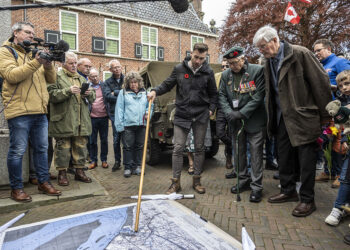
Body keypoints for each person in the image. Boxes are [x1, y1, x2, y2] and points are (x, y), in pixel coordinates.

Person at [253, 25, 332, 216]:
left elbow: (320, 83)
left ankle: (307, 200)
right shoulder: (267, 61)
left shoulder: (300, 53)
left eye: (263, 46)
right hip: (281, 118)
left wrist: (326, 116)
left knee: (306, 160)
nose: (261, 51)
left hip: (303, 116)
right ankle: (288, 191)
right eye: (259, 48)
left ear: (274, 40)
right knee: (284, 157)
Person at [0, 21, 61, 202]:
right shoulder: (5, 51)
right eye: (27, 32)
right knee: (17, 151)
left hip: (40, 111)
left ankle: (43, 182)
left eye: (33, 34)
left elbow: (51, 80)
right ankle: (16, 188)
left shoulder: (34, 53)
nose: (31, 36)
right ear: (16, 33)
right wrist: (37, 62)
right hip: (19, 111)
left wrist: (48, 64)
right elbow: (12, 75)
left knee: (42, 149)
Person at [147, 43, 218, 194]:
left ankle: (197, 181)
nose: (198, 61)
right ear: (191, 53)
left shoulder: (208, 72)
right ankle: (175, 183)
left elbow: (213, 94)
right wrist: (154, 91)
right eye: (196, 57)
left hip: (200, 116)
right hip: (182, 114)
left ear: (206, 57)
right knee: (178, 148)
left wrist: (211, 110)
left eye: (202, 58)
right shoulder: (179, 69)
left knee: (199, 148)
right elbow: (167, 84)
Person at [219, 46, 266, 203]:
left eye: (235, 62)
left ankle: (257, 187)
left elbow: (258, 96)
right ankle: (243, 180)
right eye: (230, 63)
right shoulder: (226, 75)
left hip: (254, 120)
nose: (233, 66)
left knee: (256, 154)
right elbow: (222, 96)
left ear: (243, 58)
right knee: (238, 153)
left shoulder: (257, 71)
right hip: (235, 121)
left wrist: (242, 112)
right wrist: (229, 113)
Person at [48, 51, 96, 186]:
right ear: (63, 63)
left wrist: (88, 94)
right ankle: (62, 174)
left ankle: (79, 172)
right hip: (64, 119)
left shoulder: (81, 78)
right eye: (71, 63)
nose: (74, 66)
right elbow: (50, 95)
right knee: (63, 147)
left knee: (81, 146)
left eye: (75, 63)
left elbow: (93, 97)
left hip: (81, 120)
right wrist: (67, 91)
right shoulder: (56, 76)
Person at [313, 39, 350, 187]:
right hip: (328, 114)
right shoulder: (322, 65)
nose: (316, 54)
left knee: (339, 142)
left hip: (341, 115)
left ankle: (341, 174)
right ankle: (329, 171)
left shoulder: (338, 62)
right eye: (314, 51)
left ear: (328, 49)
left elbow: (347, 79)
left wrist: (338, 89)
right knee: (326, 140)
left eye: (318, 50)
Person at [324, 70, 350, 226]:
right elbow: (339, 123)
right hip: (343, 142)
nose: (344, 88)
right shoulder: (340, 102)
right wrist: (327, 134)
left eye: (347, 84)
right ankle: (338, 207)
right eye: (341, 86)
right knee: (345, 177)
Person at [115, 71, 152, 177]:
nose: (133, 84)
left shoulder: (145, 93)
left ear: (139, 82)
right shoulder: (123, 93)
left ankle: (138, 166)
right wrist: (120, 125)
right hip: (128, 125)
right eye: (131, 82)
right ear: (127, 83)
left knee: (140, 146)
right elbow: (119, 109)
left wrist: (148, 113)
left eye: (135, 82)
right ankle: (128, 167)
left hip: (141, 125)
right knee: (127, 147)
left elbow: (149, 106)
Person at [215, 59, 236, 178]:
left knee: (231, 133)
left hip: (233, 109)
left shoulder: (235, 76)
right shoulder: (218, 77)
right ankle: (233, 145)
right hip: (221, 109)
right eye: (223, 66)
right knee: (220, 133)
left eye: (227, 66)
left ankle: (229, 158)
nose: (224, 68)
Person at [102, 59, 124, 172]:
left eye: (118, 66)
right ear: (110, 70)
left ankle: (128, 162)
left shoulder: (128, 79)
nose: (117, 69)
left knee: (127, 139)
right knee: (116, 139)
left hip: (127, 113)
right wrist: (122, 95)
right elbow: (107, 97)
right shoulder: (107, 82)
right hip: (114, 114)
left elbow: (131, 92)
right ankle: (117, 161)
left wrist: (115, 92)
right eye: (114, 67)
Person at [88, 68, 109, 169]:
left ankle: (104, 160)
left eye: (96, 76)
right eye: (92, 76)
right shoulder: (87, 87)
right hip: (92, 118)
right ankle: (93, 160)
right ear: (89, 77)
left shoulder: (104, 85)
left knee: (104, 140)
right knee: (92, 141)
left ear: (99, 75)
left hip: (104, 117)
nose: (95, 78)